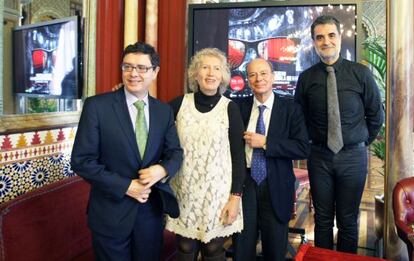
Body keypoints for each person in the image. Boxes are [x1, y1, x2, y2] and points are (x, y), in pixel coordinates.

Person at [70, 41, 183, 261]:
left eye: (141, 68)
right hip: (109, 213)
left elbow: (175, 152)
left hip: (150, 213)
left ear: (155, 72)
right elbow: (81, 161)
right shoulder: (97, 106)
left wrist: (162, 169)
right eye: (127, 67)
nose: (133, 74)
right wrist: (126, 186)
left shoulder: (163, 111)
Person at [294, 15, 384, 253]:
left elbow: (376, 115)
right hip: (319, 157)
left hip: (353, 158)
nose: (326, 42)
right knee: (322, 220)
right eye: (319, 37)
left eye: (331, 35)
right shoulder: (306, 78)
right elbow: (299, 118)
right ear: (314, 42)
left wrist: (361, 141)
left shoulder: (361, 74)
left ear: (340, 38)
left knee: (348, 220)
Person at [165, 48, 246, 261]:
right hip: (184, 189)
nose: (211, 73)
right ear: (195, 74)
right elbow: (153, 125)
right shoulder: (178, 104)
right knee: (184, 246)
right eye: (205, 67)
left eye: (217, 68)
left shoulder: (231, 109)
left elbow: (238, 156)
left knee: (212, 248)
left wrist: (235, 197)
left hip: (219, 194)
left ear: (223, 76)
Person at [233, 58, 310, 261]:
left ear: (273, 77)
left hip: (275, 184)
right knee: (242, 248)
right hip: (244, 184)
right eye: (252, 75)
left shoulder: (291, 109)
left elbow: (303, 147)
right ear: (248, 80)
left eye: (264, 73)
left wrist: (266, 142)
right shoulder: (237, 107)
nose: (259, 79)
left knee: (275, 251)